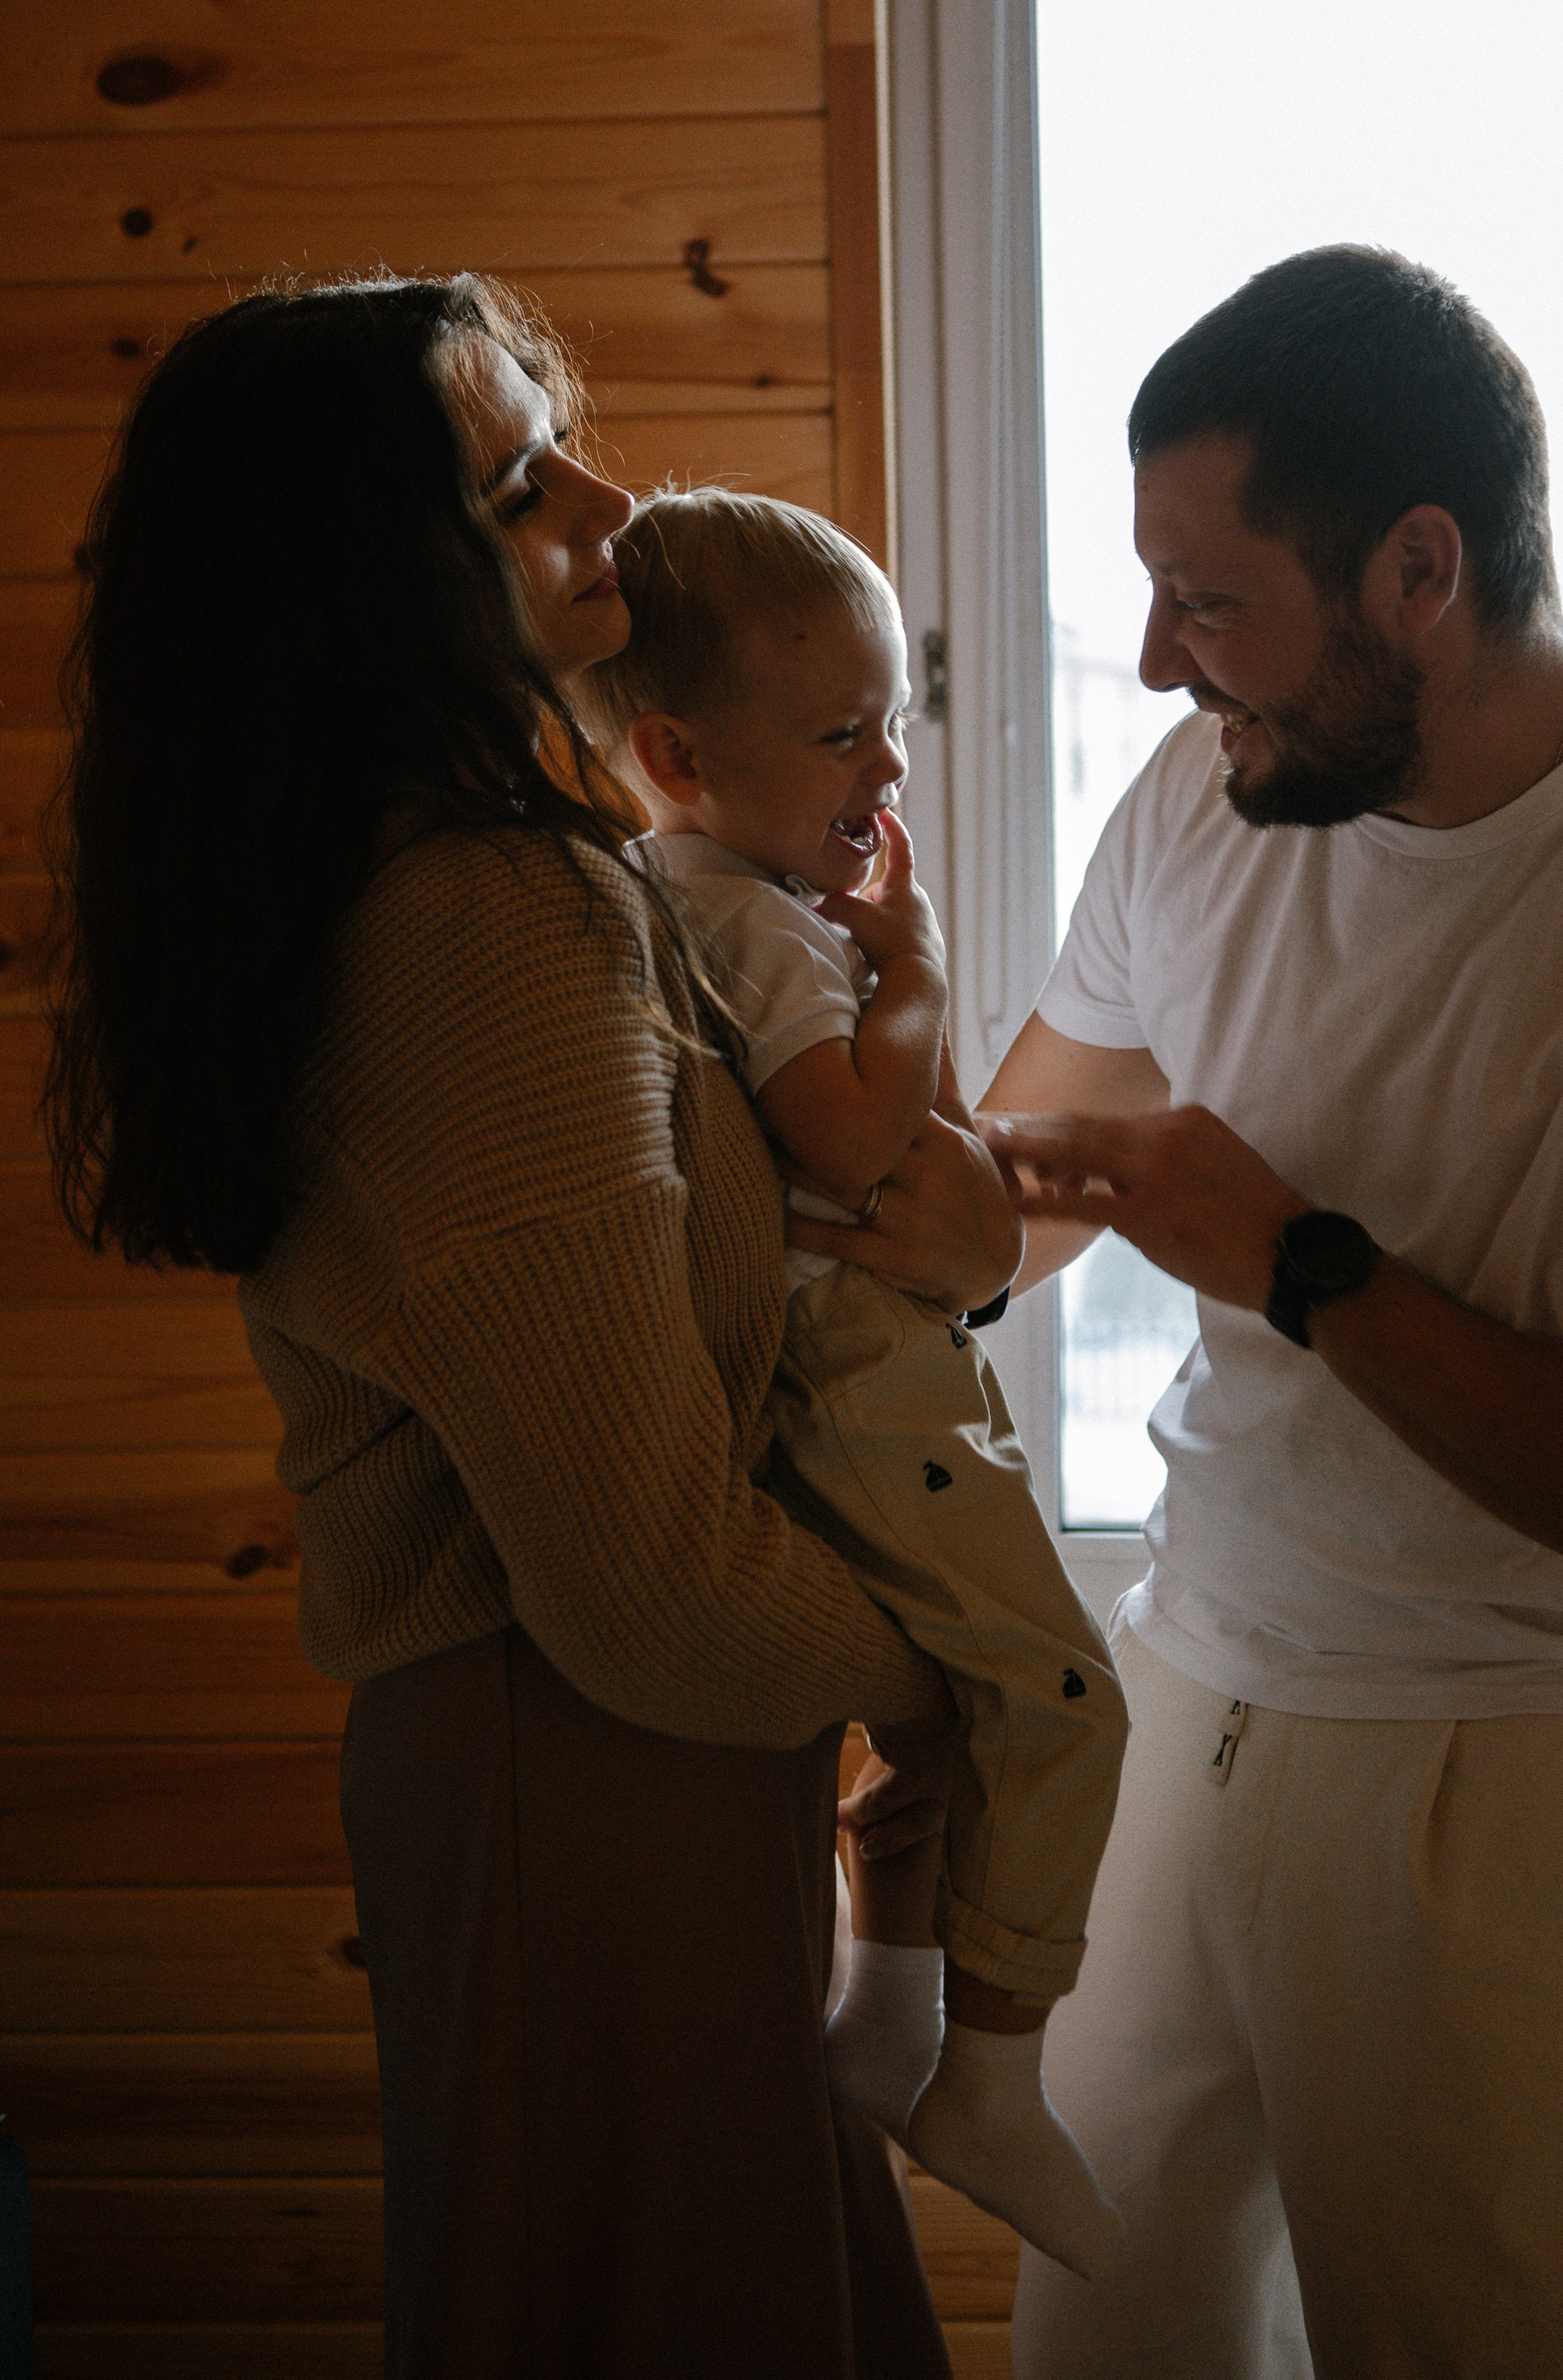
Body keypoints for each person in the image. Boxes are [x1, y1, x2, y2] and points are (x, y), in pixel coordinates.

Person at [825, 243, 1563, 2378]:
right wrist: (824, 1139)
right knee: (1106, 2349)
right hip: (1185, 1689)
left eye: (1209, 603)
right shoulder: (1216, 794)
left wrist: (1301, 1264)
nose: (1150, 661)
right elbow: (1030, 1195)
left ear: (1420, 570)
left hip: (1520, 1767)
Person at [42, 274, 1023, 2379]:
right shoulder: (488, 920)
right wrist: (948, 1673)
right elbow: (651, 1584)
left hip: (605, 1765)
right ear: (373, 584)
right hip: (585, 1772)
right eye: (515, 480)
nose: (604, 488)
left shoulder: (499, 878)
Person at [594, 489, 1127, 2281]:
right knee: (1066, 1702)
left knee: (941, 1723)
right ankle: (987, 2069)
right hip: (857, 1370)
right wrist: (917, 974)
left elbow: (921, 1151)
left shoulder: (739, 893)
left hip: (880, 1349)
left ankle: (894, 2025)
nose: (881, 767)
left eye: (890, 718)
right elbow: (845, 1123)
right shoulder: (732, 912)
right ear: (676, 752)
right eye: (842, 734)